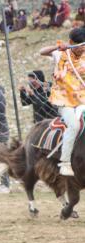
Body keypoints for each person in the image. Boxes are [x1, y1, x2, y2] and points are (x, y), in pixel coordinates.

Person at [40, 27, 85, 176]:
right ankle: (65, 163)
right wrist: (58, 47)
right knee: (74, 125)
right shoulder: (60, 54)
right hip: (63, 100)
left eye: (84, 45)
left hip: (82, 98)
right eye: (79, 45)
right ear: (71, 42)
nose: (82, 48)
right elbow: (42, 52)